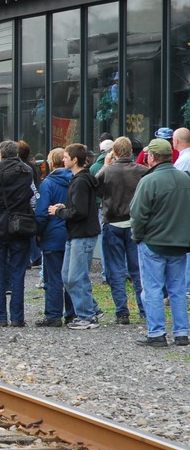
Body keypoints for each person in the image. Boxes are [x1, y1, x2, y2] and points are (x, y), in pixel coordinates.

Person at [129, 137, 190, 347]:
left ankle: (156, 334)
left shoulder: (148, 181)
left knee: (153, 289)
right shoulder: (185, 179)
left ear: (151, 157)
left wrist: (137, 236)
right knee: (177, 289)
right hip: (180, 244)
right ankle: (182, 333)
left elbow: (137, 214)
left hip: (153, 243)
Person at [0, 140, 37, 327]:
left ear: (1, 154)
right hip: (19, 223)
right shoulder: (26, 172)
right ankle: (17, 317)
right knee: (18, 272)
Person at [96, 136, 148, 323]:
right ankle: (144, 309)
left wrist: (105, 165)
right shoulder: (142, 171)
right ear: (132, 152)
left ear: (114, 152)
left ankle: (122, 312)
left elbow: (94, 187)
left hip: (112, 222)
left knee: (115, 270)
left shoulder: (108, 172)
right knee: (138, 270)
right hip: (134, 223)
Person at [49, 143, 101, 330]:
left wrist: (59, 212)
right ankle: (92, 308)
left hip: (82, 234)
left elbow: (79, 212)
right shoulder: (78, 179)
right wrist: (64, 208)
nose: (62, 159)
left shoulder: (80, 181)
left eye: (65, 156)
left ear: (74, 159)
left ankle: (87, 316)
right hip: (76, 234)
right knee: (67, 276)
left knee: (76, 277)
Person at [34, 148, 75, 327]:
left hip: (52, 234)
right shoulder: (75, 180)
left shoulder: (48, 184)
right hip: (72, 232)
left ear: (52, 163)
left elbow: (42, 213)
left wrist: (38, 233)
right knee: (71, 276)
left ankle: (53, 315)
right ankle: (72, 313)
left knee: (53, 277)